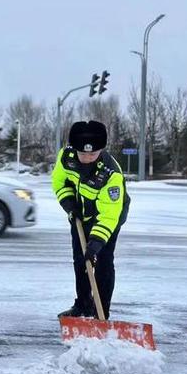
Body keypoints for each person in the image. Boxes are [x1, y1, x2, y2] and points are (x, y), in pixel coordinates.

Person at [51, 120, 130, 319]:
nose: (87, 158)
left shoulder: (111, 174)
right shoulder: (66, 157)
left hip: (108, 217)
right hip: (80, 214)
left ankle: (101, 312)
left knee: (102, 261)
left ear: (101, 150)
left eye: (92, 154)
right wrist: (69, 204)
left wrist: (96, 243)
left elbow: (109, 214)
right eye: (83, 153)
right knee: (80, 260)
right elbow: (59, 182)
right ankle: (83, 305)